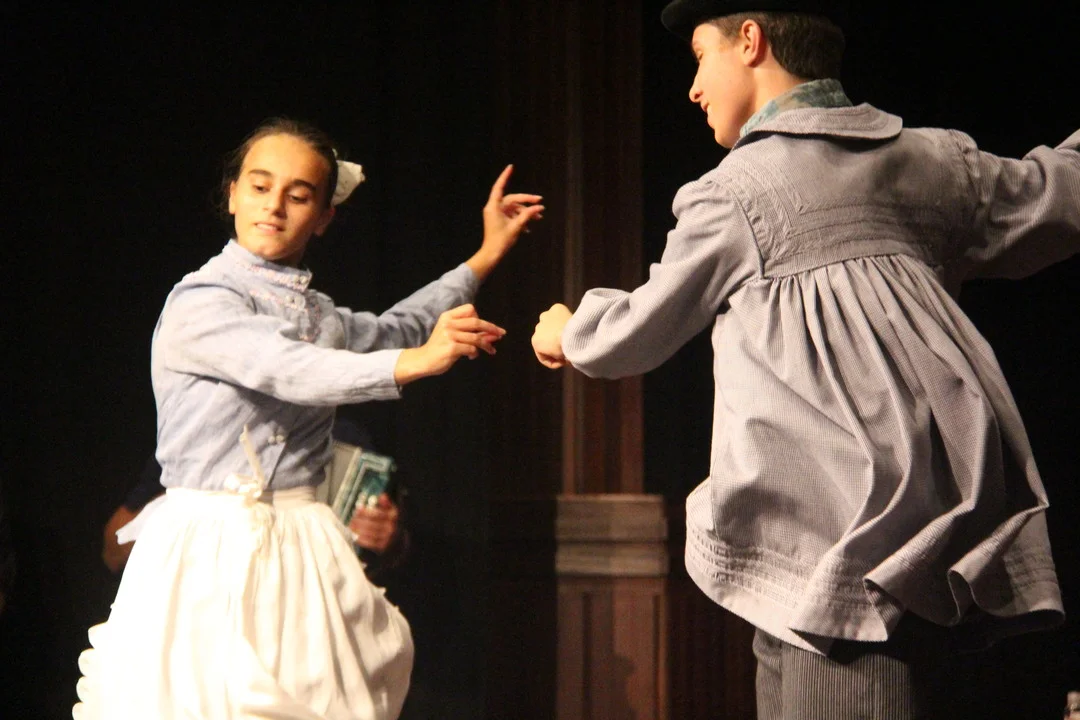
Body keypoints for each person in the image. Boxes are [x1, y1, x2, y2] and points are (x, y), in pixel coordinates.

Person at [531, 1, 1079, 717]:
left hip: (835, 564)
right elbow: (1057, 193)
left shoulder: (734, 194)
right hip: (908, 551)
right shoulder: (929, 162)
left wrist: (568, 330)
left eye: (700, 57)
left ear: (750, 41)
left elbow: (637, 331)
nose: (692, 89)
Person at [74, 117, 542, 720]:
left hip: (301, 544)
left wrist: (484, 256)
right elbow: (293, 368)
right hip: (209, 546)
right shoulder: (202, 300)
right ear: (233, 195)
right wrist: (421, 362)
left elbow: (396, 329)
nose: (274, 205)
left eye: (298, 195)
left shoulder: (318, 313)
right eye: (260, 186)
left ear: (323, 216)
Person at [102, 418, 407, 576]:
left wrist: (388, 539)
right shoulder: (197, 440)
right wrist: (184, 508)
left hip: (307, 624)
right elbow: (113, 551)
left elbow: (386, 560)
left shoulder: (344, 437)